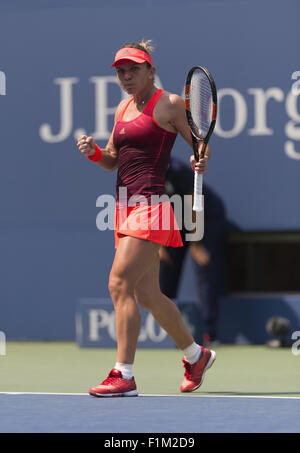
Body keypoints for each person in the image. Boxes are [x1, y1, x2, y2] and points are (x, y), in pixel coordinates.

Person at [76, 40, 216, 397]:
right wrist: (95, 153)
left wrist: (202, 157)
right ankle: (195, 355)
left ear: (150, 70)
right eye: (121, 71)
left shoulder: (168, 103)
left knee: (119, 283)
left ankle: (123, 374)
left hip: (151, 206)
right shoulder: (122, 108)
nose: (126, 76)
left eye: (133, 69)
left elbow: (198, 143)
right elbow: (112, 159)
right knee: (148, 293)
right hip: (123, 207)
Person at [159, 156, 227, 346]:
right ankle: (166, 331)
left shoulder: (178, 170)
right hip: (177, 218)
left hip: (205, 215)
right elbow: (158, 208)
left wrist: (196, 244)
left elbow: (193, 205)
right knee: (166, 264)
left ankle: (210, 333)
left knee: (202, 264)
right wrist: (161, 245)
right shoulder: (146, 172)